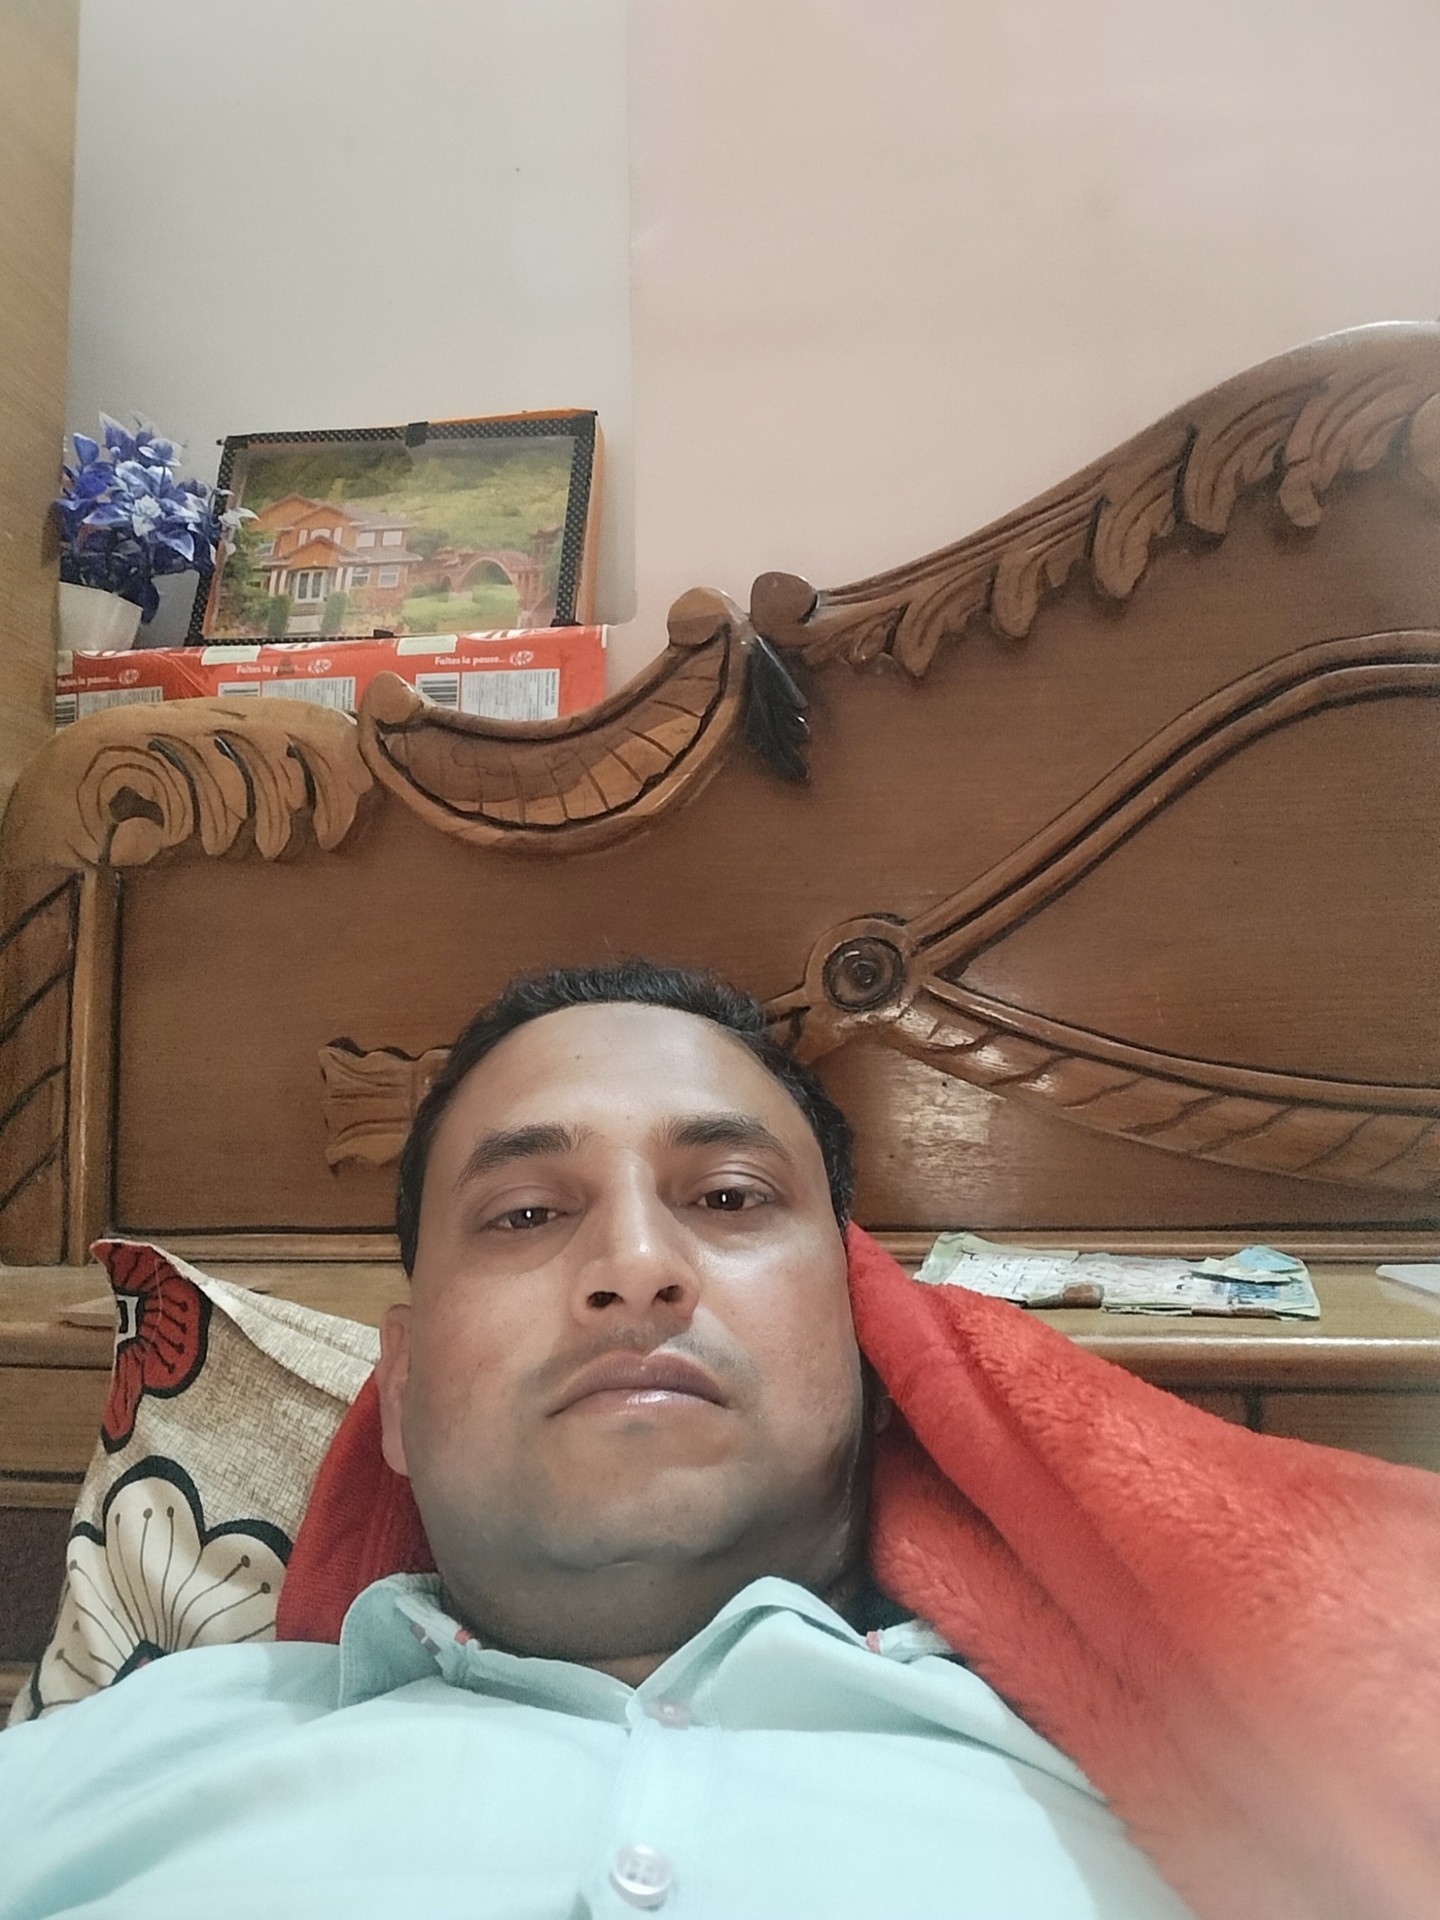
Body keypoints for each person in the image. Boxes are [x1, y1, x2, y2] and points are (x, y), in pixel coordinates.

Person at [2, 962, 1438, 1919]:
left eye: (733, 1199)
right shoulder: (104, 1771)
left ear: (873, 1348)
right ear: (406, 1389)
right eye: (526, 1214)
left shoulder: (1239, 1801)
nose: (637, 1266)